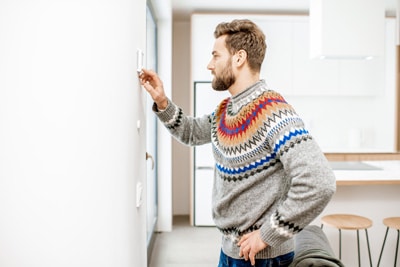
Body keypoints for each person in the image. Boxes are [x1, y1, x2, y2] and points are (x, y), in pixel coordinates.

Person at [139, 19, 336, 267]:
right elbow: (190, 132)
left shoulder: (273, 112)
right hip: (232, 250)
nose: (209, 65)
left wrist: (267, 235)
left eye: (215, 56)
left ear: (239, 58)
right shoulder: (226, 109)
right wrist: (162, 102)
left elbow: (320, 182)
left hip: (262, 257)